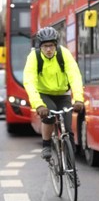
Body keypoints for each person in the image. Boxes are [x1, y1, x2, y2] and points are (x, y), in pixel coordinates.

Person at [23, 27, 84, 160]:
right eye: (45, 46)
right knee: (50, 115)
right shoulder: (34, 57)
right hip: (44, 94)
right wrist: (38, 105)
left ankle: (71, 165)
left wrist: (78, 99)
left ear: (56, 45)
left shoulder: (64, 54)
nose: (49, 49)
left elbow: (75, 76)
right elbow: (29, 81)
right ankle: (46, 144)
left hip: (63, 94)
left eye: (51, 46)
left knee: (67, 128)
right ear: (40, 47)